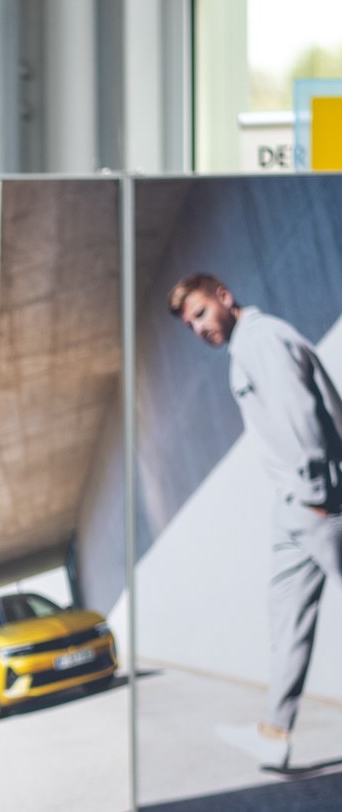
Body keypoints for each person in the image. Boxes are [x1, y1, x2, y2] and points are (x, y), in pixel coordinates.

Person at [169, 273, 342, 771]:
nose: (198, 327)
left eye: (200, 313)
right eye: (189, 324)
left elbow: (301, 416)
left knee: (288, 618)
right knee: (285, 618)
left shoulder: (260, 341)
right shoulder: (247, 347)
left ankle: (273, 729)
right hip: (296, 508)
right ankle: (273, 730)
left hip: (317, 502)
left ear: (224, 297)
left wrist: (313, 496)